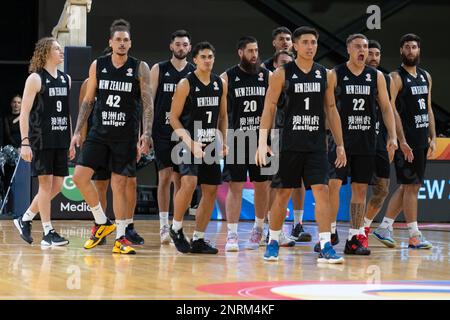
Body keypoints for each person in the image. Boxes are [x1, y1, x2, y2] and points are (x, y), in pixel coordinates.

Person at [256, 26, 346, 263]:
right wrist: (262, 141)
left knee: (322, 192)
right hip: (289, 144)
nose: (310, 46)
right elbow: (269, 107)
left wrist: (340, 144)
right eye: (305, 42)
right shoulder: (281, 73)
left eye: (313, 42)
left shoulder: (324, 74)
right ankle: (274, 240)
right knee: (282, 193)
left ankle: (326, 244)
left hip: (316, 143)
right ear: (294, 46)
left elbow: (331, 109)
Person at [71, 19, 152, 254]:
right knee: (79, 177)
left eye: (126, 40)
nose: (122, 43)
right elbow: (87, 100)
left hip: (124, 136)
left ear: (130, 43)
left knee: (119, 185)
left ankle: (120, 238)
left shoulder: (139, 67)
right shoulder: (99, 65)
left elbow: (148, 103)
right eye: (118, 39)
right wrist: (77, 131)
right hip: (99, 133)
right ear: (110, 42)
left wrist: (146, 133)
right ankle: (102, 222)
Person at [327, 34, 397, 256]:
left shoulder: (375, 76)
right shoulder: (335, 73)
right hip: (341, 142)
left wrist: (393, 136)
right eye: (357, 46)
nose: (362, 50)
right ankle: (328, 232)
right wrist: (333, 137)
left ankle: (354, 238)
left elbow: (386, 108)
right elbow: (328, 107)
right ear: (348, 49)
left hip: (366, 140)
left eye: (365, 47)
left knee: (359, 190)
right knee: (333, 186)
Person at [373, 33, 435, 249]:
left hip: (421, 139)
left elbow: (428, 109)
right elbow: (390, 109)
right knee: (411, 187)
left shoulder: (425, 76)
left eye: (414, 47)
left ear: (419, 50)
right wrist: (400, 139)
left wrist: (433, 137)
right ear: (401, 51)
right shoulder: (395, 77)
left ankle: (385, 227)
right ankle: (414, 235)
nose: (411, 51)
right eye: (407, 47)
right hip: (406, 141)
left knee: (410, 185)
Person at [169, 41, 228, 254]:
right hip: (188, 139)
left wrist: (225, 141)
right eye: (203, 57)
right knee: (189, 182)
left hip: (210, 141)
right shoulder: (186, 84)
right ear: (194, 60)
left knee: (211, 189)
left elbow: (222, 116)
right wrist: (190, 142)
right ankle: (176, 227)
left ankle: (199, 239)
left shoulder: (220, 83)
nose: (207, 60)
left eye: (210, 57)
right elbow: (173, 118)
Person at [14, 37, 74, 246]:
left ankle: (26, 218)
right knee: (46, 185)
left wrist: (71, 140)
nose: (61, 51)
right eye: (57, 49)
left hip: (61, 139)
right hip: (41, 139)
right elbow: (24, 114)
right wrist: (25, 142)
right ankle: (48, 232)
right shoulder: (35, 79)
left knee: (57, 185)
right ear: (46, 53)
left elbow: (67, 113)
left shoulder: (66, 79)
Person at [221, 36, 271, 251]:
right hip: (237, 137)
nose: (254, 55)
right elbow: (221, 113)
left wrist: (271, 140)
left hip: (263, 140)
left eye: (256, 50)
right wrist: (223, 139)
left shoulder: (267, 75)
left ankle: (259, 228)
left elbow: (274, 109)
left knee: (263, 186)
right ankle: (232, 234)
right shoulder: (227, 76)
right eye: (250, 51)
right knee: (236, 186)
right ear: (240, 52)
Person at [150, 30, 195, 244]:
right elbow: (149, 102)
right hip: (162, 131)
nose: (181, 48)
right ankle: (163, 225)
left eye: (185, 45)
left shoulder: (193, 72)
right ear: (171, 46)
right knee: (165, 177)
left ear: (189, 48)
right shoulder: (159, 69)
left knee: (181, 181)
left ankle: (178, 225)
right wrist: (146, 132)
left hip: (184, 133)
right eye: (177, 44)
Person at [362, 40, 409, 238]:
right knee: (354, 189)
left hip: (379, 141)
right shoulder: (346, 76)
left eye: (377, 54)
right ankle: (333, 232)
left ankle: (363, 227)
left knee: (382, 190)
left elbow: (390, 110)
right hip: (355, 141)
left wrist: (394, 138)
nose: (373, 57)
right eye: (370, 53)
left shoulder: (385, 79)